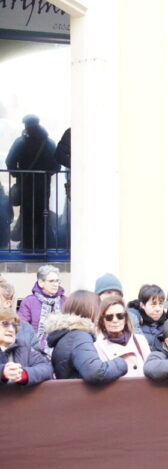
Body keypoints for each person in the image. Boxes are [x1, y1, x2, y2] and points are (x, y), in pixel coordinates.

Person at [46, 290, 128, 383]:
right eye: (98, 309)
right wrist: (121, 363)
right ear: (91, 311)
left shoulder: (68, 335)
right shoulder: (79, 336)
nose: (99, 315)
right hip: (80, 396)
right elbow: (96, 372)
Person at [5, 115, 60, 250]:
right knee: (43, 215)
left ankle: (27, 245)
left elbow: (9, 161)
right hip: (43, 186)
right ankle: (42, 245)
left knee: (27, 216)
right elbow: (57, 166)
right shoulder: (49, 143)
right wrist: (46, 175)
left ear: (25, 125)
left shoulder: (21, 142)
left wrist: (19, 174)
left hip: (26, 186)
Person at [94, 296, 152, 377]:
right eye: (109, 317)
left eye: (120, 316)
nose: (115, 320)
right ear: (102, 321)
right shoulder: (97, 346)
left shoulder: (140, 340)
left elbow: (150, 370)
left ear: (125, 318)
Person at [0, 307, 53, 386]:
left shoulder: (24, 347)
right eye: (5, 324)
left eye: (14, 325)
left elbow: (47, 369)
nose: (11, 329)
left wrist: (24, 374)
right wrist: (3, 372)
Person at [18, 264, 66, 347]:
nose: (56, 284)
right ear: (40, 283)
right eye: (51, 281)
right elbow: (23, 329)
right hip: (35, 350)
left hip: (61, 349)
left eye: (57, 281)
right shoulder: (28, 302)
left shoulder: (65, 301)